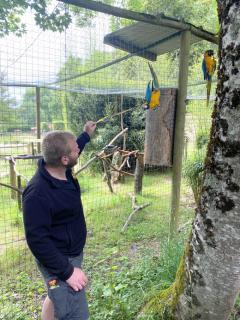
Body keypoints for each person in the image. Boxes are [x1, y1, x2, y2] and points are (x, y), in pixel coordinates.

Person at [22, 121, 96, 320]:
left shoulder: (60, 170)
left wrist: (86, 135)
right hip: (58, 259)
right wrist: (68, 272)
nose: (78, 149)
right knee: (74, 312)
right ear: (64, 159)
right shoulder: (37, 193)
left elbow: (73, 150)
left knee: (53, 296)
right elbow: (37, 240)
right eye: (75, 149)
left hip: (71, 251)